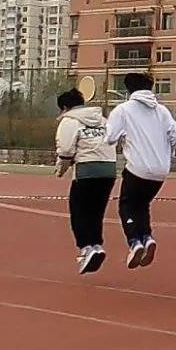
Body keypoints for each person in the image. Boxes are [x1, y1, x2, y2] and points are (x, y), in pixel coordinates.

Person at [104, 72, 176, 269]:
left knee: (127, 205)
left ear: (128, 89)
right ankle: (147, 237)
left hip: (137, 167)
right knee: (142, 204)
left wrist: (122, 137)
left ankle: (135, 242)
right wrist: (168, 152)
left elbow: (110, 137)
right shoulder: (162, 111)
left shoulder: (123, 110)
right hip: (160, 170)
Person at [55, 88, 118, 275]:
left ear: (64, 107)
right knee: (96, 212)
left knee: (79, 211)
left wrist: (60, 170)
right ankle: (96, 245)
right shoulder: (103, 121)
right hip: (108, 170)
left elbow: (66, 150)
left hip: (86, 170)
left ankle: (86, 247)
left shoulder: (69, 121)